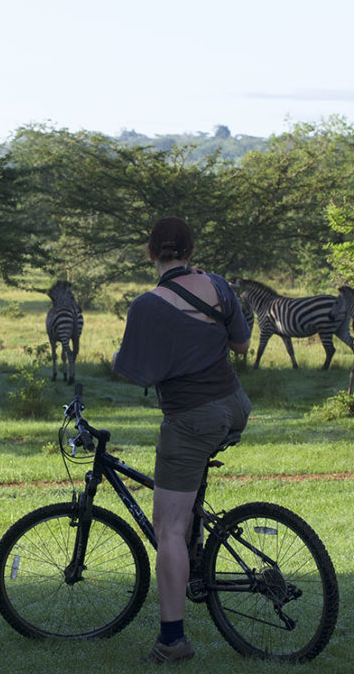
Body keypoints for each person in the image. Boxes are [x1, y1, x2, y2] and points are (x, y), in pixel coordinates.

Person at [111, 216, 251, 664]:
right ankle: (195, 556)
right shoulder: (219, 286)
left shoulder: (147, 306)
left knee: (167, 528)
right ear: (191, 250)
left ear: (150, 253)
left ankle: (171, 641)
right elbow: (241, 345)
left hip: (192, 419)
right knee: (183, 514)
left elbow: (134, 372)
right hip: (234, 405)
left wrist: (118, 356)